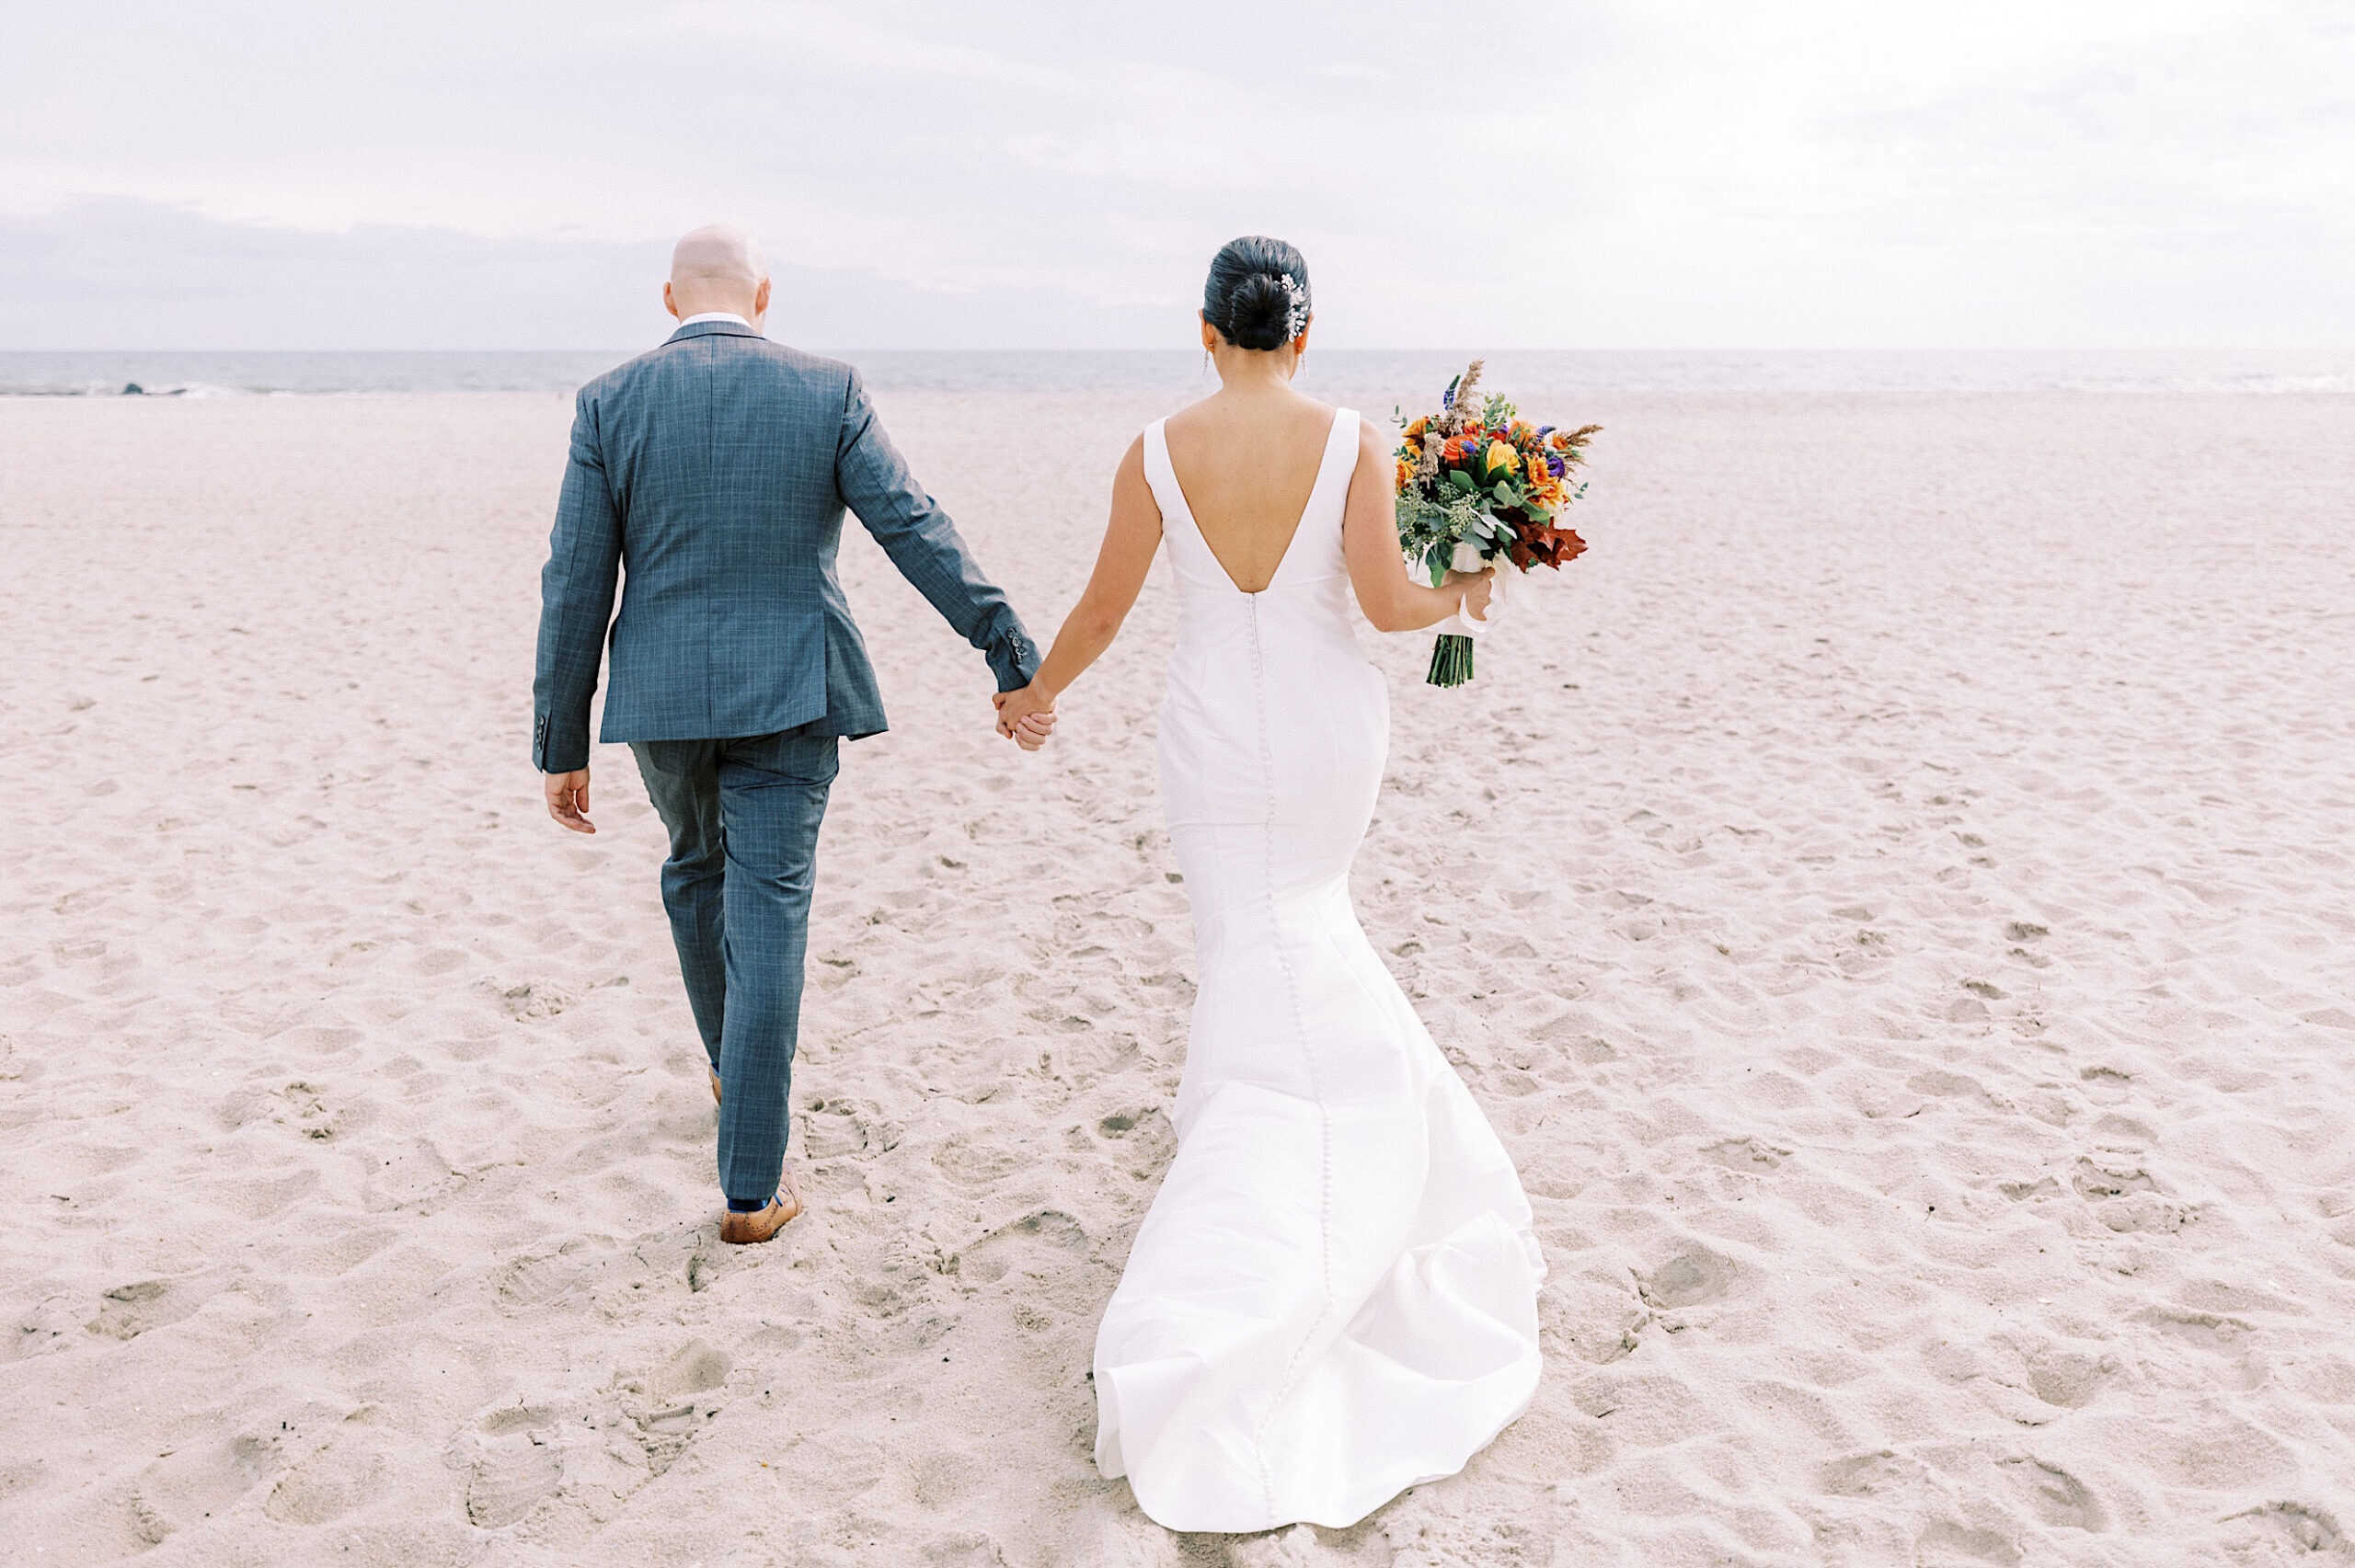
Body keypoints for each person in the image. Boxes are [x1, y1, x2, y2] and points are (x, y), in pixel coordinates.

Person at [990, 236, 1546, 1532]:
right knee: (1308, 924)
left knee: (1254, 941)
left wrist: (1037, 695)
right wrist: (1474, 578)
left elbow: (1106, 605)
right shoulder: (1350, 439)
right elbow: (1387, 607)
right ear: (1301, 334)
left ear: (1205, 329)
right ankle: (1318, 1140)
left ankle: (1266, 1168)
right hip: (1322, 729)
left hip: (1211, 737)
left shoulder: (1152, 449)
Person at [532, 223, 1048, 1245]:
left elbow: (574, 576)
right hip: (793, 689)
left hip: (663, 701)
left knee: (693, 870)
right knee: (768, 908)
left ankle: (735, 1074)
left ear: (669, 299)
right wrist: (1006, 645)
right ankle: (751, 1188)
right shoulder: (828, 390)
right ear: (763, 295)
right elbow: (913, 525)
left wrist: (562, 738)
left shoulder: (611, 401)